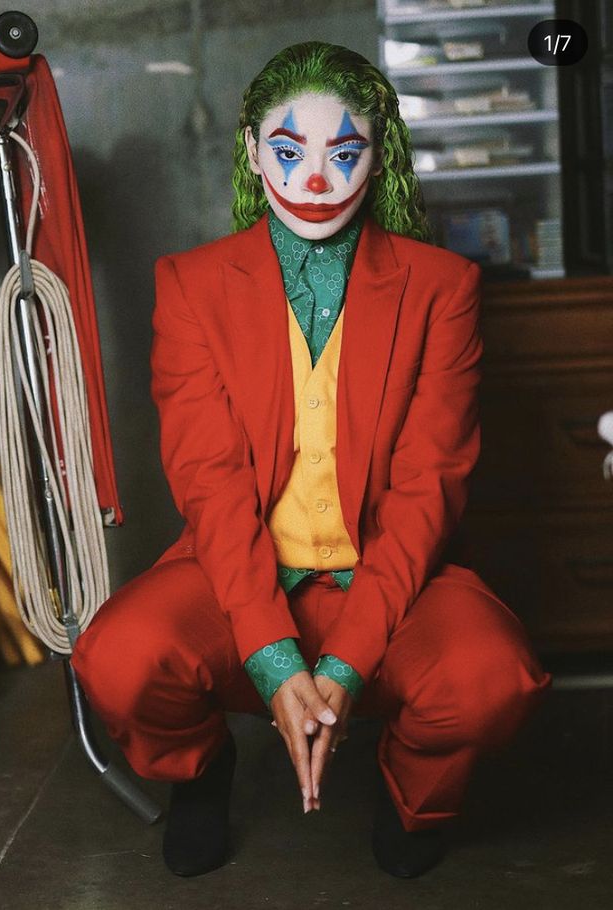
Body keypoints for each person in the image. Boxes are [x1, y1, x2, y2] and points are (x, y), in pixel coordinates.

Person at [70, 41, 551, 880]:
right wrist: (273, 655)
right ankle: (199, 771)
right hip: (242, 576)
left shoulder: (443, 288)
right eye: (289, 151)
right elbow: (208, 483)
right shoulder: (189, 283)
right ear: (253, 153)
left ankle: (413, 795)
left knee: (491, 677)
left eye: (345, 150)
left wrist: (344, 665)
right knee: (117, 658)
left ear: (381, 154)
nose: (316, 180)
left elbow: (426, 490)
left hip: (390, 577)